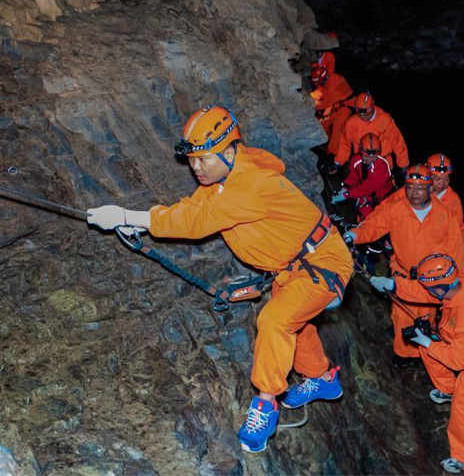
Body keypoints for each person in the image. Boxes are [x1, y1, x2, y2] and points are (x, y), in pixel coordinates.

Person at [86, 105, 353, 454]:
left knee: (274, 320)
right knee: (296, 323)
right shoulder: (223, 178)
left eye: (203, 159)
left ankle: (266, 404)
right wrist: (139, 222)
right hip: (294, 266)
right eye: (192, 160)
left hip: (322, 263)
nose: (196, 168)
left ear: (228, 151)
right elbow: (192, 210)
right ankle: (322, 379)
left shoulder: (250, 184)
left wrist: (127, 214)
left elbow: (197, 224)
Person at [372, 253, 464, 473]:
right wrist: (394, 285)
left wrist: (428, 342)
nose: (428, 291)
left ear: (440, 287)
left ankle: (463, 458)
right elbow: (428, 291)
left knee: (463, 408)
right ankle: (447, 390)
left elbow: (458, 360)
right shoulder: (458, 282)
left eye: (430, 288)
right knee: (428, 349)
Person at [344, 164, 464, 359]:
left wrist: (455, 283)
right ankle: (403, 357)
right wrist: (353, 235)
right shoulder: (396, 209)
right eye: (409, 187)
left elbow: (456, 250)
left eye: (419, 188)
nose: (414, 192)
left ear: (429, 188)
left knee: (426, 316)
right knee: (402, 316)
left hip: (432, 279)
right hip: (403, 272)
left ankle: (425, 356)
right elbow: (373, 225)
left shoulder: (444, 215)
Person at [333, 92, 409, 181]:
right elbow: (344, 145)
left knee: (382, 190)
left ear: (372, 106)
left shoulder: (385, 120)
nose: (361, 114)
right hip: (361, 163)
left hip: (383, 162)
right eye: (358, 111)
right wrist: (337, 163)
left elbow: (398, 143)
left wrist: (403, 165)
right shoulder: (351, 123)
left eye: (364, 111)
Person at [331, 133, 395, 222]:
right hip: (366, 194)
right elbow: (353, 176)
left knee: (366, 207)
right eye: (366, 156)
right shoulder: (356, 160)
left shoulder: (382, 166)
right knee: (358, 202)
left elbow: (368, 187)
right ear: (361, 151)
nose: (369, 159)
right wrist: (346, 187)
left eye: (373, 157)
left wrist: (347, 194)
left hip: (382, 196)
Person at [426, 153, 464, 239]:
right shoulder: (417, 191)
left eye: (446, 178)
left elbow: (459, 229)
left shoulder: (453, 200)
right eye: (437, 178)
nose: (442, 183)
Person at [309, 64, 354, 136]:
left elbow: (325, 102)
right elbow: (320, 92)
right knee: (322, 124)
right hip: (335, 105)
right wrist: (309, 97)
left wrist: (308, 104)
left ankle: (334, 145)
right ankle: (324, 141)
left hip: (346, 107)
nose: (317, 84)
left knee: (337, 133)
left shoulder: (335, 82)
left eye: (317, 81)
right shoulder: (326, 80)